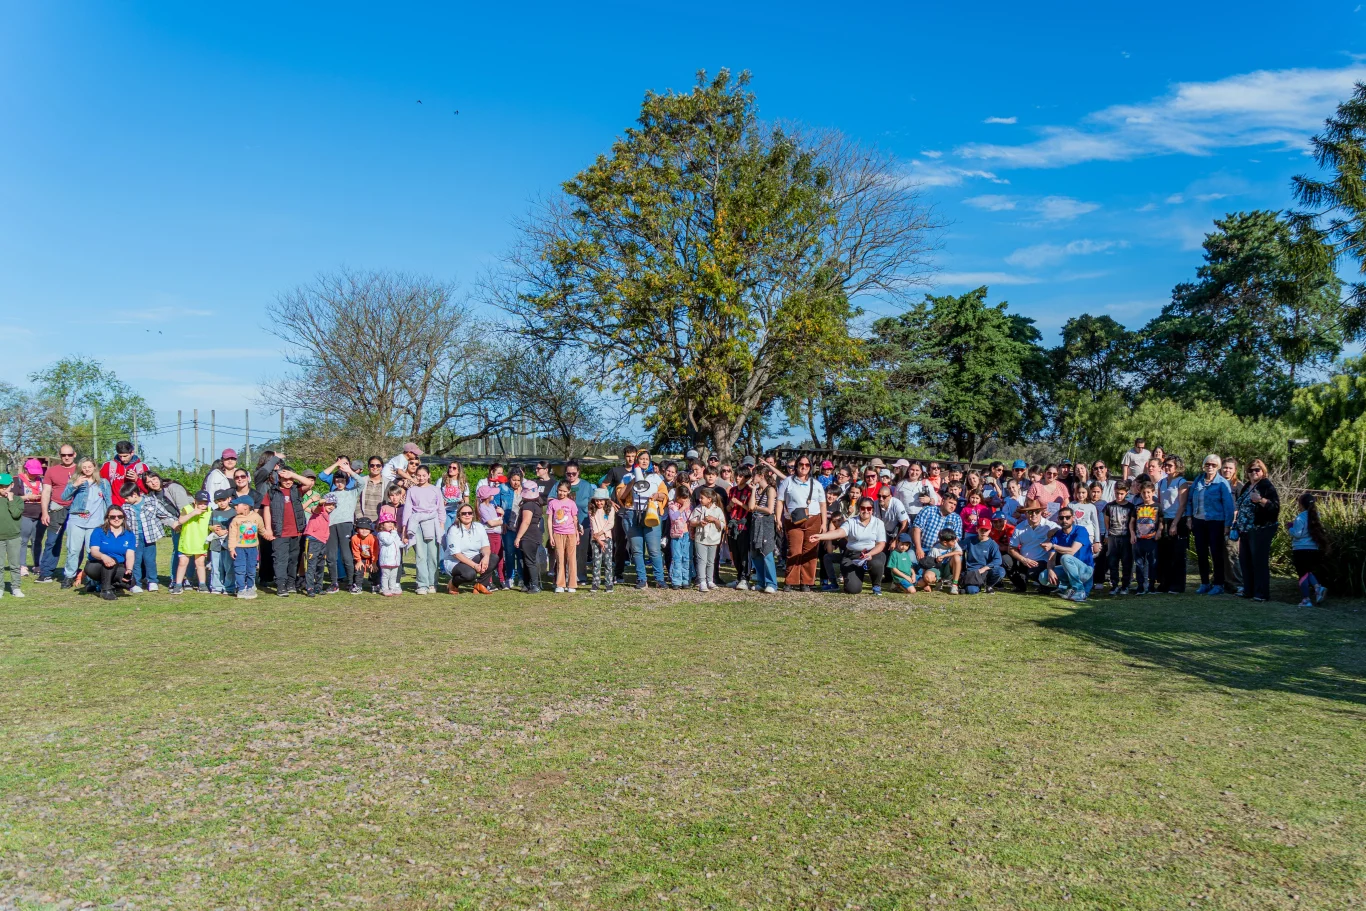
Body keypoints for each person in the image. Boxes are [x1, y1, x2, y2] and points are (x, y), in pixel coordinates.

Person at [811, 497, 887, 595]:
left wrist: (870, 554)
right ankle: (855, 578)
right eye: (863, 508)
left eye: (869, 508)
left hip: (871, 553)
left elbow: (881, 544)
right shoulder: (851, 522)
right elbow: (839, 532)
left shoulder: (878, 523)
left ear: (872, 509)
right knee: (853, 590)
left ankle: (876, 586)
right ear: (859, 508)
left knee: (877, 561)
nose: (866, 511)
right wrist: (821, 536)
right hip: (852, 556)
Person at [777, 456, 827, 593]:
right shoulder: (787, 482)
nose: (804, 467)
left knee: (810, 551)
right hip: (794, 521)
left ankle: (807, 582)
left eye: (807, 465)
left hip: (813, 520)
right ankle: (791, 581)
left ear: (810, 467)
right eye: (801, 464)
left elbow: (823, 504)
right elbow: (780, 501)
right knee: (794, 550)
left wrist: (824, 523)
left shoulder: (816, 483)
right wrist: (778, 518)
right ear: (796, 465)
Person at [1186, 454, 1234, 595]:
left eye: (1213, 465)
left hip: (1216, 522)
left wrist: (1227, 525)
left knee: (1216, 554)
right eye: (1208, 464)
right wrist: (1189, 517)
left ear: (1218, 467)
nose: (1210, 467)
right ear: (1204, 465)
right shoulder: (1198, 480)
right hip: (1199, 521)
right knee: (1201, 553)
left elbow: (1228, 505)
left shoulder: (1222, 483)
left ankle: (1218, 584)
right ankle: (1204, 583)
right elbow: (1190, 500)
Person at [60, 459, 111, 589]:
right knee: (73, 550)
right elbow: (64, 497)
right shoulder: (76, 481)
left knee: (92, 551)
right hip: (77, 520)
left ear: (94, 467)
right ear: (80, 468)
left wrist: (109, 519)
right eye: (84, 467)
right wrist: (75, 485)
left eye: (89, 466)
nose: (87, 469)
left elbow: (108, 502)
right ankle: (69, 576)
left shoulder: (103, 483)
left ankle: (92, 578)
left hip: (95, 522)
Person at [120, 481, 180, 592]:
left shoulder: (152, 502)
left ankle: (152, 581)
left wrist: (175, 523)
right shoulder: (125, 507)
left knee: (150, 560)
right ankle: (136, 583)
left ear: (134, 494)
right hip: (134, 538)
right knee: (135, 560)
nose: (125, 500)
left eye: (126, 498)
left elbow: (164, 515)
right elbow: (121, 522)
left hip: (150, 537)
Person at [1233, 459, 1280, 603]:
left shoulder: (1266, 485)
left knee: (1259, 561)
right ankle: (1249, 590)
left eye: (1257, 470)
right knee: (1245, 560)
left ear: (1263, 471)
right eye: (1251, 470)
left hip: (1260, 528)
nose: (1254, 472)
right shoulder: (1247, 486)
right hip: (1245, 529)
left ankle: (1261, 593)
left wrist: (1260, 500)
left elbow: (1275, 507)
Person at [620, 448, 667, 589]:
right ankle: (641, 579)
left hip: (651, 513)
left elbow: (665, 495)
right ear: (637, 461)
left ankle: (659, 579)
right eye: (641, 459)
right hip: (633, 514)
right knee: (637, 550)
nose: (644, 461)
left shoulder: (656, 477)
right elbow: (621, 495)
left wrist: (657, 496)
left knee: (654, 549)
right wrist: (634, 480)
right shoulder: (628, 476)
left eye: (647, 459)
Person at [261, 469, 307, 596]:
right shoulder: (272, 492)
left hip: (296, 531)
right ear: (279, 479)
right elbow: (266, 510)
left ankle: (291, 583)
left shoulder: (296, 490)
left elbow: (309, 483)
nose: (288, 482)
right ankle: (281, 585)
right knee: (280, 559)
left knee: (294, 559)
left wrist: (293, 474)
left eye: (290, 479)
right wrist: (268, 529)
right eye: (285, 479)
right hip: (279, 532)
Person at [317, 456, 360, 593]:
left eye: (342, 481)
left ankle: (351, 582)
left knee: (347, 556)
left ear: (346, 481)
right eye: (337, 481)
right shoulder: (330, 494)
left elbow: (362, 482)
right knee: (331, 556)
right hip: (331, 525)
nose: (339, 483)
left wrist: (349, 470)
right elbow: (322, 476)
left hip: (346, 525)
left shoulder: (352, 492)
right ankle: (334, 582)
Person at [37, 444, 78, 583]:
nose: (66, 457)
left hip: (76, 510)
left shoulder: (82, 469)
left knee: (76, 543)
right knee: (52, 541)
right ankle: (46, 572)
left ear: (74, 455)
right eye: (63, 455)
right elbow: (46, 492)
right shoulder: (51, 471)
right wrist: (44, 512)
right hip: (57, 509)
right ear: (60, 455)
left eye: (69, 455)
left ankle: (74, 573)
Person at [401, 464, 443, 595]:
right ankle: (421, 584)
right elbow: (407, 509)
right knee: (420, 555)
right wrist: (405, 529)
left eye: (424, 475)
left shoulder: (436, 489)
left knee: (433, 555)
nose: (421, 478)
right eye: (418, 475)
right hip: (417, 524)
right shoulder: (412, 490)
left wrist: (441, 526)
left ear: (429, 475)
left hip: (432, 523)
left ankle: (432, 583)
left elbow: (440, 508)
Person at [1007, 498, 1059, 594]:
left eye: (1037, 511)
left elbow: (1065, 531)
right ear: (1026, 513)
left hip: (1042, 562)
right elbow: (1011, 548)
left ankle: (1049, 587)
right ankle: (1020, 586)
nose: (1034, 514)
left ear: (1041, 512)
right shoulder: (1019, 527)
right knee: (1006, 560)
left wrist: (1054, 531)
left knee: (1033, 571)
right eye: (1030, 512)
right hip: (1023, 561)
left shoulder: (1050, 525)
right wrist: (1023, 560)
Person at [85, 505, 136, 600]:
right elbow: (94, 551)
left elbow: (130, 555)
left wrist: (129, 570)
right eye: (113, 517)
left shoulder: (129, 534)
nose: (116, 519)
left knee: (130, 582)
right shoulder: (99, 531)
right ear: (107, 518)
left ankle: (101, 584)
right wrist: (104, 557)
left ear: (124, 518)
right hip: (96, 565)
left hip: (119, 565)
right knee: (111, 561)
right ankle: (106, 590)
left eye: (119, 516)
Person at [1042, 506, 1094, 602]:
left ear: (1073, 518)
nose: (1064, 520)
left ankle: (1080, 590)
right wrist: (1050, 570)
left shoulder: (1081, 530)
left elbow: (1072, 551)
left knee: (1066, 558)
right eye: (1061, 518)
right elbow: (1051, 559)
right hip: (1069, 569)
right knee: (1043, 577)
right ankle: (1066, 588)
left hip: (1085, 570)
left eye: (1067, 517)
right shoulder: (1057, 535)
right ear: (1058, 520)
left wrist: (1053, 546)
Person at [1286, 493, 1328, 608]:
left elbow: (1297, 534)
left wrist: (1290, 527)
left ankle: (1306, 599)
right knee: (1307, 571)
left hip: (1301, 549)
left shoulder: (1300, 518)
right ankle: (1318, 588)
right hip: (1313, 549)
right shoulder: (1317, 515)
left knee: (1303, 575)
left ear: (1301, 504)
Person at [443, 503, 493, 594]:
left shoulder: (479, 527)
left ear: (473, 514)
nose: (467, 515)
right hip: (455, 561)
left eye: (469, 513)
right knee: (470, 575)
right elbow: (456, 554)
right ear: (458, 515)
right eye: (464, 513)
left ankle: (481, 584)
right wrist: (475, 565)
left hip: (473, 557)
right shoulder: (453, 530)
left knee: (493, 558)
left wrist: (486, 557)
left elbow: (485, 546)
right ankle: (453, 583)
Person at [1156, 456, 1190, 594]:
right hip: (1164, 519)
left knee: (1177, 554)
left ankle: (1177, 585)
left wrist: (1175, 524)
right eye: (1165, 465)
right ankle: (1165, 584)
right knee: (1164, 554)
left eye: (1170, 465)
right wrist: (1161, 524)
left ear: (1177, 466)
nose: (1167, 467)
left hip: (1178, 520)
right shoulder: (1162, 482)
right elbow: (1160, 504)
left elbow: (1182, 505)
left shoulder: (1181, 482)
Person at [911, 495, 962, 576]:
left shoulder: (956, 518)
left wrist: (943, 549)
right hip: (923, 547)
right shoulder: (928, 510)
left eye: (955, 504)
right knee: (910, 556)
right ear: (942, 501)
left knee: (958, 558)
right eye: (950, 503)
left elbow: (957, 537)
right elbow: (917, 528)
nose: (952, 506)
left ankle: (949, 580)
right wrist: (918, 548)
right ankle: (914, 578)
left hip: (943, 552)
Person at [172, 490, 212, 595]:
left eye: (205, 503)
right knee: (182, 563)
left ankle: (202, 584)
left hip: (201, 542)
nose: (203, 505)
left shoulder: (210, 511)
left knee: (200, 563)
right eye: (200, 503)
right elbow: (180, 521)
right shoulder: (187, 509)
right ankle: (178, 584)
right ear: (195, 502)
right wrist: (193, 513)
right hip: (187, 541)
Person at [747, 466, 779, 594]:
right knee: (756, 553)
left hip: (766, 523)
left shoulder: (770, 490)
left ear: (761, 475)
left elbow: (770, 509)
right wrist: (754, 490)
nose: (752, 478)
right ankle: (761, 581)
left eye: (754, 475)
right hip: (756, 523)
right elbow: (750, 507)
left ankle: (771, 583)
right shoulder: (757, 490)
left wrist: (756, 508)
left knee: (767, 552)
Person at [689, 487, 726, 593]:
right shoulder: (698, 509)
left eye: (702, 498)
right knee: (702, 561)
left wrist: (714, 520)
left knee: (711, 561)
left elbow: (722, 525)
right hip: (701, 538)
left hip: (713, 539)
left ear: (709, 499)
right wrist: (699, 523)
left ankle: (710, 580)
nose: (700, 500)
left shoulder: (717, 510)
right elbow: (691, 521)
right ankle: (702, 581)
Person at [546, 480, 580, 594]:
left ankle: (572, 584)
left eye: (564, 491)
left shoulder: (571, 503)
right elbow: (549, 520)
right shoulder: (552, 503)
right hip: (557, 533)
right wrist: (551, 536)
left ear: (569, 491)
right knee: (560, 558)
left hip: (570, 533)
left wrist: (577, 534)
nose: (562, 493)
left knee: (571, 559)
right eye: (560, 490)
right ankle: (560, 584)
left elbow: (575, 520)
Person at [300, 493, 337, 597]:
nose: (331, 506)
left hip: (323, 541)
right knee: (311, 565)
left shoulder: (326, 515)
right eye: (329, 504)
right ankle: (310, 588)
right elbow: (315, 509)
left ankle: (318, 587)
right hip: (313, 540)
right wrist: (320, 503)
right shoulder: (319, 510)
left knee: (320, 565)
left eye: (333, 504)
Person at [228, 495, 263, 598]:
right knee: (240, 568)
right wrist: (231, 549)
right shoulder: (235, 520)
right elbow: (232, 536)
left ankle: (250, 587)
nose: (234, 507)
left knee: (251, 568)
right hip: (239, 548)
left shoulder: (256, 517)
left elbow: (261, 529)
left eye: (236, 505)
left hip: (252, 549)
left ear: (245, 506)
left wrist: (268, 535)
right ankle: (241, 589)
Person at [513, 480, 546, 593]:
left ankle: (535, 585)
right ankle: (527, 584)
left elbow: (526, 522)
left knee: (530, 561)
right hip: (533, 535)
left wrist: (518, 537)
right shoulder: (537, 504)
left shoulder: (528, 505)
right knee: (526, 561)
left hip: (529, 536)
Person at [1219, 458, 1245, 593]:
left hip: (1232, 526)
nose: (1227, 470)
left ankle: (1238, 583)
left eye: (1230, 468)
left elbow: (1242, 507)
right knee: (1220, 554)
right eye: (1225, 467)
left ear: (1235, 470)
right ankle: (1222, 581)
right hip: (1218, 522)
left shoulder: (1238, 486)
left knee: (1231, 553)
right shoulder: (1217, 482)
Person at [1132, 481, 1162, 595]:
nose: (1146, 495)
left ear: (1153, 492)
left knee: (1152, 563)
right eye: (1144, 492)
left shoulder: (1157, 506)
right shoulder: (1137, 507)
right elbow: (1132, 522)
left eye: (1149, 492)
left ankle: (1151, 586)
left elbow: (1161, 521)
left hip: (1152, 539)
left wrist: (1159, 531)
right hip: (1139, 539)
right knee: (1139, 563)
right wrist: (1132, 534)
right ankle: (1140, 586)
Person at [17, 458, 45, 577]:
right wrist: (27, 497)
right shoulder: (18, 480)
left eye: (36, 472)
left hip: (39, 515)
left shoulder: (42, 481)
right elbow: (13, 497)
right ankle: (22, 565)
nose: (34, 475)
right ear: (26, 469)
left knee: (37, 541)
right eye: (32, 472)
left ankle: (37, 565)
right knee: (23, 540)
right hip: (25, 514)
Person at [586, 488, 617, 593]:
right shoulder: (591, 511)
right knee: (596, 562)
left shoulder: (610, 509)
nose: (599, 502)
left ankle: (609, 583)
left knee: (608, 562)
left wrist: (601, 533)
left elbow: (610, 524)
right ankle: (595, 583)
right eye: (597, 500)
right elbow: (593, 527)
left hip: (607, 538)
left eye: (601, 500)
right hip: (596, 540)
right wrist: (598, 540)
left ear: (606, 500)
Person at [206, 488, 236, 594]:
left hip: (228, 544)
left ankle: (230, 586)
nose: (221, 503)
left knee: (229, 566)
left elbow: (237, 526)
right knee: (216, 566)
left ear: (229, 499)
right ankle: (216, 586)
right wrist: (213, 528)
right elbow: (209, 525)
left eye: (223, 500)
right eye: (218, 501)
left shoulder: (234, 512)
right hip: (215, 544)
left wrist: (226, 531)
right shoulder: (214, 512)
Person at [100, 440, 147, 507]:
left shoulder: (142, 467)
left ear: (132, 453)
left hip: (137, 507)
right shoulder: (109, 466)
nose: (122, 459)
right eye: (120, 456)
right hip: (116, 508)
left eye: (125, 456)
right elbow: (100, 485)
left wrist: (137, 480)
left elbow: (148, 490)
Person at [0, 475, 25, 597]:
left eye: (6, 486)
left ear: (12, 485)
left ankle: (16, 587)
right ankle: (0, 588)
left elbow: (16, 514)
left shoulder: (17, 500)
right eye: (1, 487)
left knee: (14, 564)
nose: (4, 489)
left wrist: (10, 500)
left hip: (14, 537)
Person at [666, 487, 693, 590]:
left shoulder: (689, 506)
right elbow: (673, 517)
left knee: (686, 558)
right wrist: (682, 508)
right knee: (677, 558)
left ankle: (686, 579)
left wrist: (687, 507)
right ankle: (676, 580)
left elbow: (691, 518)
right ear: (678, 497)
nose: (686, 501)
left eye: (687, 498)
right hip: (677, 535)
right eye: (684, 498)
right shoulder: (672, 506)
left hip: (687, 535)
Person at [924, 527, 964, 594]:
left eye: (955, 540)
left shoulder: (954, 543)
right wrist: (925, 584)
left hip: (948, 569)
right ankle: (939, 581)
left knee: (957, 557)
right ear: (945, 542)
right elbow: (928, 565)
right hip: (938, 569)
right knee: (928, 577)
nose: (955, 542)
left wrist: (944, 556)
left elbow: (960, 552)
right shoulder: (935, 549)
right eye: (952, 541)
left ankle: (954, 585)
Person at [376, 508, 404, 596]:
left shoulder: (394, 534)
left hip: (395, 560)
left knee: (393, 576)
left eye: (392, 522)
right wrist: (394, 533)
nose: (390, 524)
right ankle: (385, 588)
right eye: (388, 522)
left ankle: (392, 588)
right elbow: (388, 541)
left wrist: (405, 543)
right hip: (386, 560)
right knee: (385, 576)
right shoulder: (382, 534)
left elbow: (399, 543)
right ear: (382, 525)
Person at [350, 517, 378, 593]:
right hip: (361, 557)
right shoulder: (354, 538)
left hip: (372, 558)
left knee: (374, 569)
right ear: (357, 529)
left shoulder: (373, 538)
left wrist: (374, 562)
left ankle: (374, 585)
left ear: (370, 530)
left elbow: (375, 551)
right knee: (358, 569)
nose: (364, 531)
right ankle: (358, 586)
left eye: (366, 529)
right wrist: (358, 561)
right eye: (361, 528)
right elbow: (355, 550)